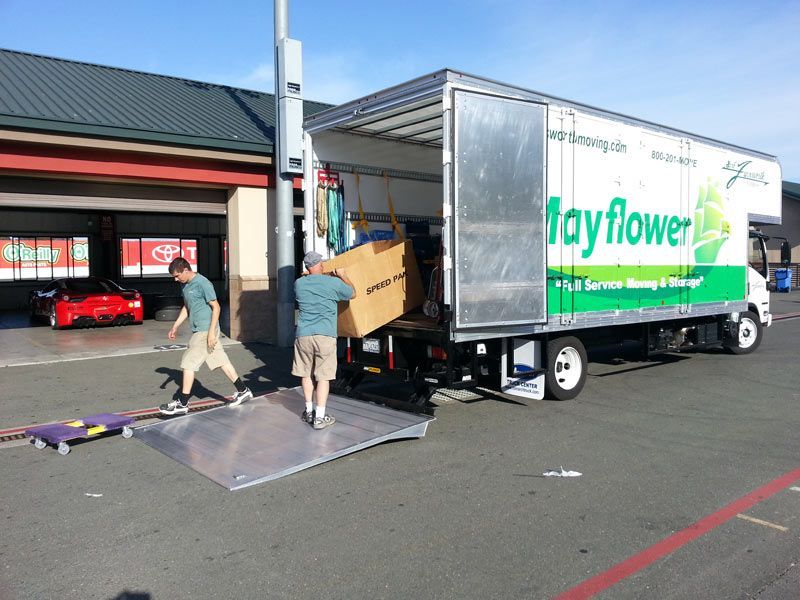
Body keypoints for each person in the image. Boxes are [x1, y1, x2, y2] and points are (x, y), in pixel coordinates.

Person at [159, 257, 253, 415]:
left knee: (188, 363)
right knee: (221, 361)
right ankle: (243, 391)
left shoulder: (203, 283)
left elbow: (216, 307)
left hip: (205, 330)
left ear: (186, 270)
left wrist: (211, 332)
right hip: (199, 329)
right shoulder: (185, 286)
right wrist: (175, 326)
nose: (176, 280)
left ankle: (182, 403)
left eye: (177, 276)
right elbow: (187, 307)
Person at [293, 251, 355, 430]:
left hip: (303, 335)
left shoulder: (299, 284)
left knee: (306, 374)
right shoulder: (332, 283)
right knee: (323, 377)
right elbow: (352, 293)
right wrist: (343, 276)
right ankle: (319, 417)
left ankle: (309, 411)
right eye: (321, 263)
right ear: (319, 264)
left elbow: (307, 280)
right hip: (325, 335)